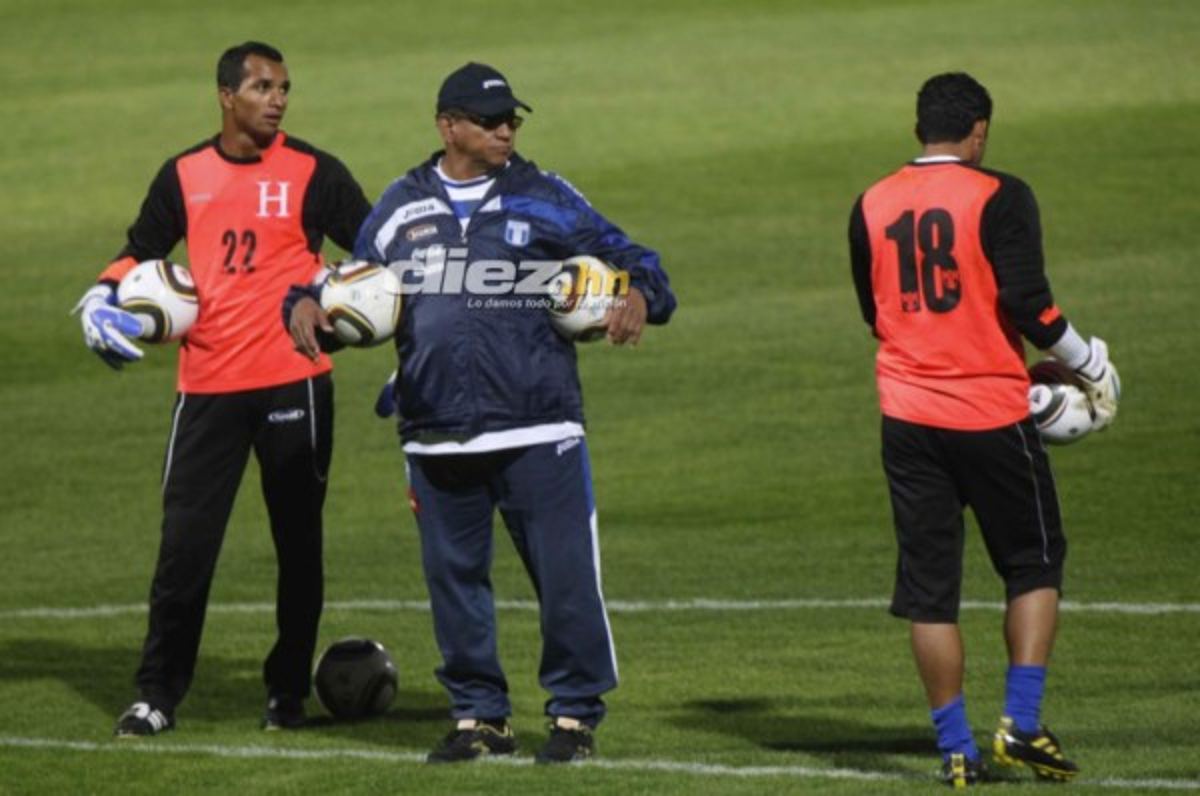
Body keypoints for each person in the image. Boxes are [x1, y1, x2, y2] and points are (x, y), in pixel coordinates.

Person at [288, 62, 675, 764]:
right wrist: (306, 306)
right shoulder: (401, 205)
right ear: (448, 126)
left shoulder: (545, 195)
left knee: (566, 579)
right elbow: (341, 286)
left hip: (539, 425)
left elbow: (637, 260)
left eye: (511, 120)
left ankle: (574, 717)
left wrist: (641, 295)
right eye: (490, 121)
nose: (505, 131)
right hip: (435, 431)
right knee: (454, 584)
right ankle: (479, 716)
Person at [74, 41, 371, 737]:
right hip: (207, 389)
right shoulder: (184, 175)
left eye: (285, 88)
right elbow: (140, 249)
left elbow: (378, 254)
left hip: (295, 383)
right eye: (263, 87)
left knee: (299, 548)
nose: (278, 100)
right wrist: (100, 294)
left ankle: (286, 694)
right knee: (185, 548)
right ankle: (156, 694)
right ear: (226, 95)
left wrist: (337, 303)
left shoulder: (315, 172)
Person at [847, 72, 1120, 787]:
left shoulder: (871, 202)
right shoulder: (1002, 194)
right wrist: (1089, 363)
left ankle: (956, 751)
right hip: (991, 414)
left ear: (918, 131)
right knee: (1034, 563)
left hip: (907, 418)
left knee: (930, 592)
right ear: (979, 132)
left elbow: (877, 313)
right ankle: (1021, 725)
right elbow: (1029, 302)